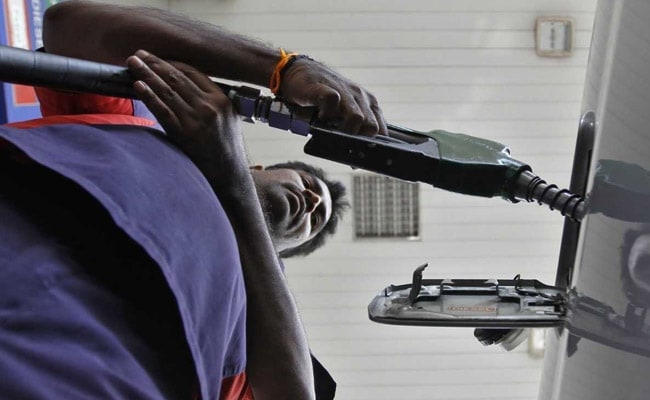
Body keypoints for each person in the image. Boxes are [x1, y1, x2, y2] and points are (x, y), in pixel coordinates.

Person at [0, 2, 386, 400]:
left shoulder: (264, 343)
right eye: (307, 182)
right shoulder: (139, 124)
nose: (312, 200)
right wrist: (284, 68)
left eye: (316, 220)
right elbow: (68, 27)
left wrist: (232, 178)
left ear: (282, 254)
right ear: (257, 167)